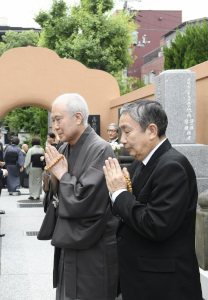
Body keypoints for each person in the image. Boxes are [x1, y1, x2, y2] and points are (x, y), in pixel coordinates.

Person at [103, 99, 202, 300]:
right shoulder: (141, 162)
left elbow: (156, 224)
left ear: (151, 130)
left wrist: (120, 193)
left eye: (127, 131)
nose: (122, 140)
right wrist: (117, 191)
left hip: (164, 285)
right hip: (142, 279)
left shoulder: (172, 166)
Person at [44, 93, 118, 300]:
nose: (55, 127)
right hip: (70, 240)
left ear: (78, 117)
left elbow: (86, 200)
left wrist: (62, 175)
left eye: (58, 120)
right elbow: (56, 196)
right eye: (53, 121)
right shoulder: (65, 147)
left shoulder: (101, 149)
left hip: (92, 244)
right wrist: (53, 177)